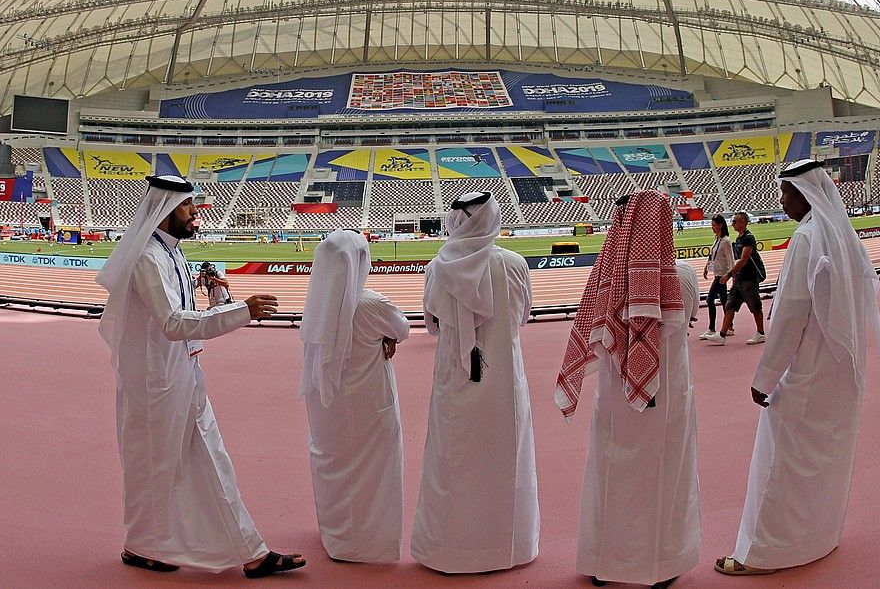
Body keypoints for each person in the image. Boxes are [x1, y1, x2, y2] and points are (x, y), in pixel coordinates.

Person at [95, 174, 305, 579]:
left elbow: (179, 308)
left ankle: (250, 552)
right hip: (156, 381)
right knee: (154, 465)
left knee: (211, 458)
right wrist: (242, 311)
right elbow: (172, 323)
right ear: (165, 209)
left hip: (182, 374)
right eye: (188, 207)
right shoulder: (147, 257)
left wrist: (216, 295)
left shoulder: (170, 252)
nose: (195, 213)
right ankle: (142, 547)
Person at [714, 160, 880, 577]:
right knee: (826, 455)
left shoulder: (808, 239)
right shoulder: (845, 237)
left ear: (806, 194)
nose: (782, 200)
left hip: (808, 369)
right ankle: (818, 536)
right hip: (842, 371)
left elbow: (790, 315)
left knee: (782, 459)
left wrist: (764, 378)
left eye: (787, 193)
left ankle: (765, 553)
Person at [556, 190, 701, 589]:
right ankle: (660, 564)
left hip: (614, 394)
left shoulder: (605, 277)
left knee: (611, 472)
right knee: (663, 475)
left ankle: (605, 561)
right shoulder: (683, 276)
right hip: (666, 392)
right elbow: (683, 321)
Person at [411, 191, 540, 574]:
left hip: (454, 377)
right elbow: (521, 317)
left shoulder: (437, 267)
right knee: (505, 456)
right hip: (503, 377)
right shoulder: (514, 264)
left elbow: (431, 324)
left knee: (452, 456)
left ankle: (449, 550)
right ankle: (506, 548)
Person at [300, 230, 411, 563]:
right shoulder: (372, 303)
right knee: (374, 472)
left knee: (332, 465)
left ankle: (338, 535)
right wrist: (388, 338)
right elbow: (402, 329)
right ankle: (370, 543)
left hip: (327, 405)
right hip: (370, 405)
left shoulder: (317, 302)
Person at [706, 212, 767, 346]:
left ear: (743, 223)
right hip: (739, 278)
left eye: (735, 221)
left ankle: (761, 333)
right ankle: (721, 335)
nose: (732, 223)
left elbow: (743, 259)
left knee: (755, 306)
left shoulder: (748, 238)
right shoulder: (739, 239)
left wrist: (729, 274)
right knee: (730, 305)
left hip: (749, 278)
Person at [699, 214, 734, 340]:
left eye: (714, 225)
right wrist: (707, 268)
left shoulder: (726, 241)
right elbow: (712, 257)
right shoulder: (717, 239)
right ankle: (729, 327)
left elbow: (731, 260)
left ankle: (712, 328)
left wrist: (730, 275)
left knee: (709, 300)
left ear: (720, 225)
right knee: (724, 301)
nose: (712, 227)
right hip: (717, 274)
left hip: (721, 276)